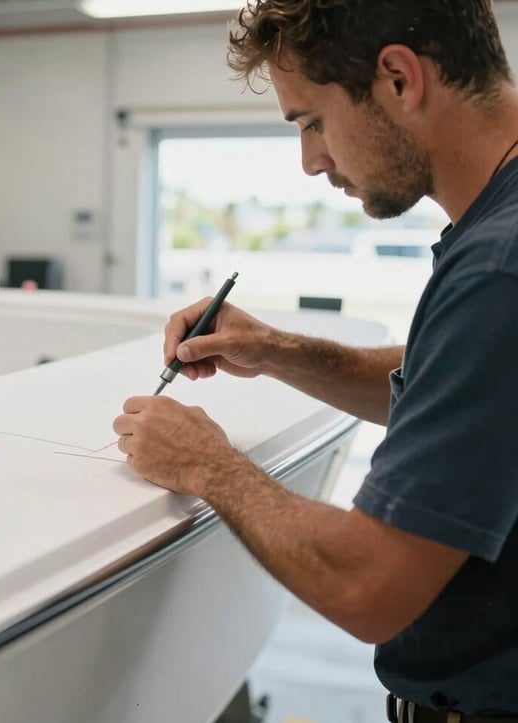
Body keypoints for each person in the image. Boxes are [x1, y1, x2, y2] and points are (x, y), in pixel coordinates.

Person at [112, 0, 518, 717]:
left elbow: (371, 585)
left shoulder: (498, 269)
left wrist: (206, 462)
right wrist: (276, 350)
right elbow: (456, 396)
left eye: (312, 121)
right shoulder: (497, 234)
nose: (311, 162)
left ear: (398, 78)